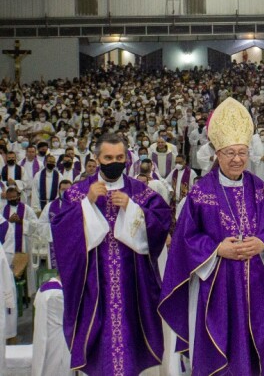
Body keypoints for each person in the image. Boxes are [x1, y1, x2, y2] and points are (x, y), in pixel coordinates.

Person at [159, 97, 264, 375]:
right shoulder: (200, 193)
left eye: (242, 152)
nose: (237, 159)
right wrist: (217, 249)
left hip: (256, 288)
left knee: (258, 352)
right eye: (230, 153)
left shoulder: (261, 190)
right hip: (217, 289)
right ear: (217, 153)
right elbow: (185, 240)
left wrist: (262, 244)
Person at [50, 133, 173, 375]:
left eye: (119, 157)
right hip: (93, 287)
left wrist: (132, 208)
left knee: (130, 341)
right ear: (97, 158)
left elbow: (161, 222)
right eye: (108, 157)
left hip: (132, 284)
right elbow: (60, 229)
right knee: (99, 347)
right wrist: (87, 203)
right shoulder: (78, 193)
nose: (114, 162)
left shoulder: (139, 192)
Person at [0, 186, 39, 296]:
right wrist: (9, 220)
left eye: (14, 197)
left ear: (18, 196)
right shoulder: (3, 209)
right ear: (6, 198)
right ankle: (10, 293)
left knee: (25, 269)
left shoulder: (26, 209)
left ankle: (25, 294)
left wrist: (21, 221)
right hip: (7, 246)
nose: (12, 199)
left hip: (24, 244)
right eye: (10, 198)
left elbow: (35, 224)